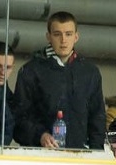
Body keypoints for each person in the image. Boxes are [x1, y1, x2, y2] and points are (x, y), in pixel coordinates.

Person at [13, 11, 105, 149]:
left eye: (68, 34)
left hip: (82, 156)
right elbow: (19, 117)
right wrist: (40, 135)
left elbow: (97, 118)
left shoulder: (90, 72)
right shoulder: (31, 71)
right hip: (41, 155)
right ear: (48, 37)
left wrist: (97, 153)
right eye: (57, 34)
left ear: (76, 37)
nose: (63, 40)